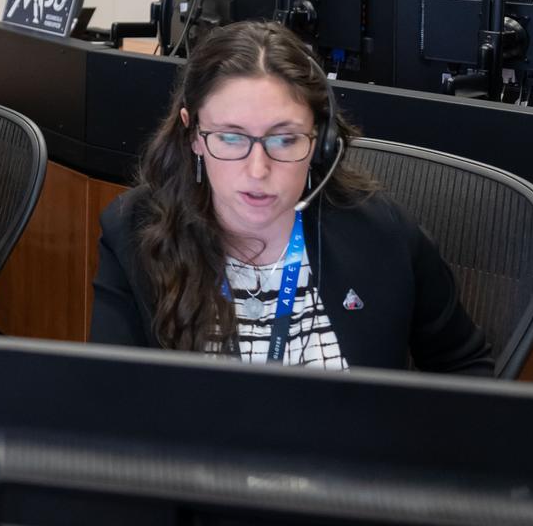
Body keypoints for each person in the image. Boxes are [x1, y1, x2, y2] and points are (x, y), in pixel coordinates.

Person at [89, 19, 492, 372]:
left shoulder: (382, 232)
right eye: (231, 138)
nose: (258, 170)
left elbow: (465, 364)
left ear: (321, 141)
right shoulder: (134, 234)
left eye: (284, 139)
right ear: (193, 134)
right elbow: (109, 401)